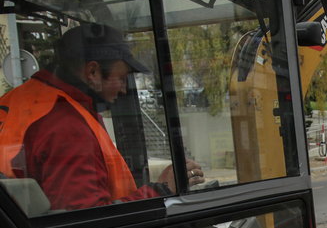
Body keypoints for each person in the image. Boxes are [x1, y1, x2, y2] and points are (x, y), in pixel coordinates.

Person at [0, 23, 204, 211]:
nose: (124, 89)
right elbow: (86, 221)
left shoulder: (18, 100)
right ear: (93, 72)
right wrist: (160, 190)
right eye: (121, 78)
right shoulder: (65, 124)